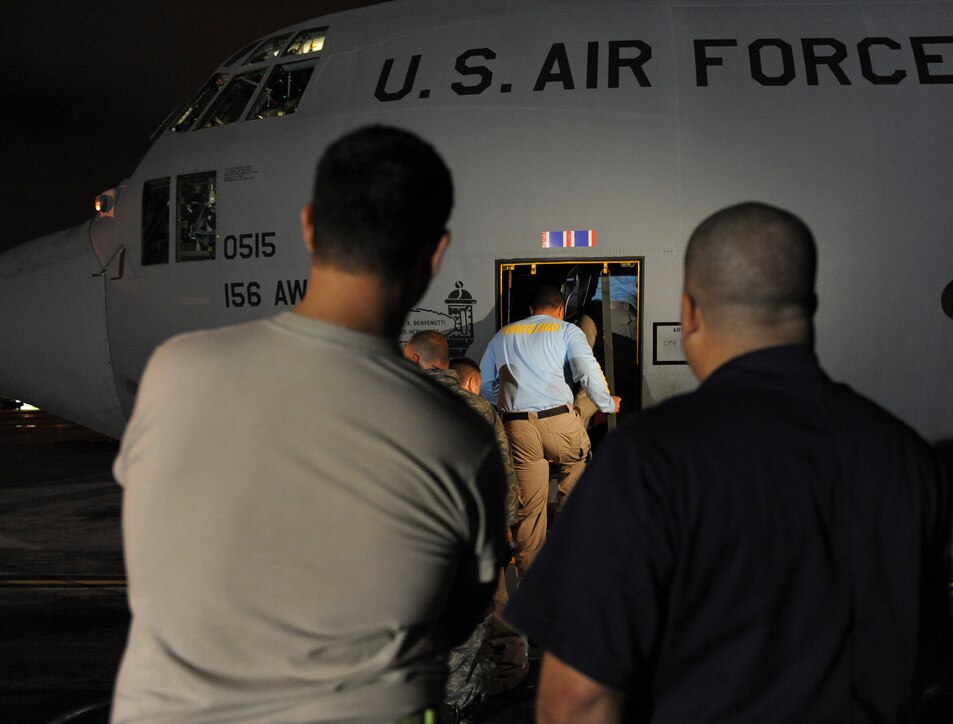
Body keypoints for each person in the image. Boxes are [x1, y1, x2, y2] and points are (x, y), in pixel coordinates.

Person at [111, 125, 507, 723]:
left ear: (308, 227)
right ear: (436, 252)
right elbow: (459, 613)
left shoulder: (177, 371)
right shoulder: (461, 431)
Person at [504, 202, 950, 723]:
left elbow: (575, 700)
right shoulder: (906, 458)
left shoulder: (650, 457)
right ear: (808, 304)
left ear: (690, 312)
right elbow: (922, 653)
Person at [402, 330, 523, 718]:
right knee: (468, 630)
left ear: (414, 358)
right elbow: (503, 477)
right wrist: (506, 528)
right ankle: (461, 707)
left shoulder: (394, 405)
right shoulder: (480, 410)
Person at [479, 284, 620, 576]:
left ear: (531, 311)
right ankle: (569, 563)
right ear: (560, 311)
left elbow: (484, 384)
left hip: (516, 426)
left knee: (529, 509)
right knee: (575, 473)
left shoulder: (504, 334)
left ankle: (530, 584)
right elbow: (586, 370)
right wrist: (607, 404)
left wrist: (506, 402)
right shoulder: (567, 330)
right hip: (558, 422)